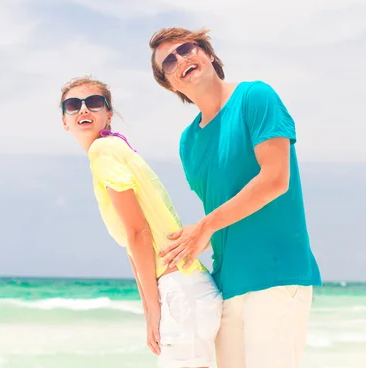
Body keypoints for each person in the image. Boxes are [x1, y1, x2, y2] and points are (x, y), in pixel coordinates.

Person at [148, 27, 322, 368]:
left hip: (276, 275)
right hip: (225, 285)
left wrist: (205, 227)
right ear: (170, 84)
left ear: (209, 54)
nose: (181, 59)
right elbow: (220, 213)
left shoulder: (255, 97)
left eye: (187, 49)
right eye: (169, 61)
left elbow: (275, 180)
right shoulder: (188, 143)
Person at [59, 75, 223, 368]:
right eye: (73, 105)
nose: (83, 110)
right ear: (65, 120)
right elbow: (134, 242)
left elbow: (138, 233)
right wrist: (150, 307)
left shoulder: (103, 151)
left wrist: (154, 308)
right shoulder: (115, 150)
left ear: (108, 115)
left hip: (180, 291)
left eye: (94, 103)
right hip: (185, 288)